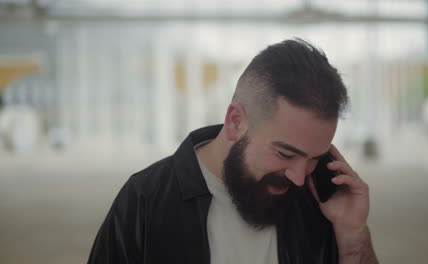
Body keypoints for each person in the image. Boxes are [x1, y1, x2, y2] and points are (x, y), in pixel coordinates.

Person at [88, 38, 378, 264]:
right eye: (285, 154)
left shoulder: (320, 202)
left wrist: (353, 237)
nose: (300, 178)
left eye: (314, 158)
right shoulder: (146, 200)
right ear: (235, 121)